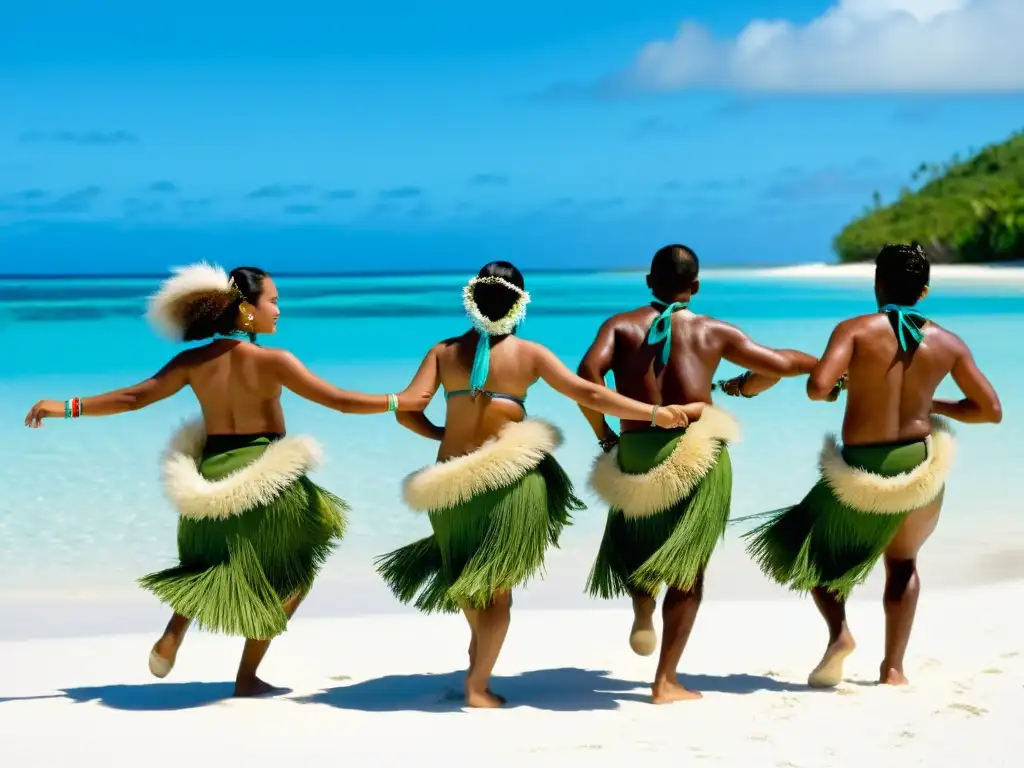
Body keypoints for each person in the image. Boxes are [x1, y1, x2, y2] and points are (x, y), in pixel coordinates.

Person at [24, 262, 427, 697]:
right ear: (246, 310)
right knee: (293, 575)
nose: (278, 311)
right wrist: (397, 400)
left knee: (209, 564)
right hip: (266, 479)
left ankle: (175, 631)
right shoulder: (275, 361)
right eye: (272, 301)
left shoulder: (192, 362)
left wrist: (64, 407)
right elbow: (342, 402)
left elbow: (132, 398)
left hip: (210, 475)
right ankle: (246, 677)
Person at [373, 260, 692, 708]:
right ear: (520, 304)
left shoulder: (443, 352)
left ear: (473, 301)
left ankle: (476, 661)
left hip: (446, 487)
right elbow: (592, 394)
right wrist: (654, 414)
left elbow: (408, 409)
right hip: (506, 486)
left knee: (464, 579)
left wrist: (443, 434)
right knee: (496, 591)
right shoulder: (530, 355)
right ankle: (478, 686)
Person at [742, 242, 1002, 688]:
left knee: (812, 553)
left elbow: (818, 388)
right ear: (923, 292)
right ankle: (894, 669)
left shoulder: (855, 331)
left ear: (877, 284)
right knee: (902, 564)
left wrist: (851, 385)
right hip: (920, 468)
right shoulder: (948, 342)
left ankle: (840, 634)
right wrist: (929, 401)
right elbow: (989, 410)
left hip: (860, 469)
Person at [575, 243, 823, 704]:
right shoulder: (715, 331)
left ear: (649, 283)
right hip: (699, 453)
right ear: (695, 286)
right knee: (688, 567)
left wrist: (606, 434)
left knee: (638, 540)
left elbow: (587, 379)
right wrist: (750, 387)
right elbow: (778, 367)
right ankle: (665, 681)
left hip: (636, 448)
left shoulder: (620, 325)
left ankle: (643, 610)